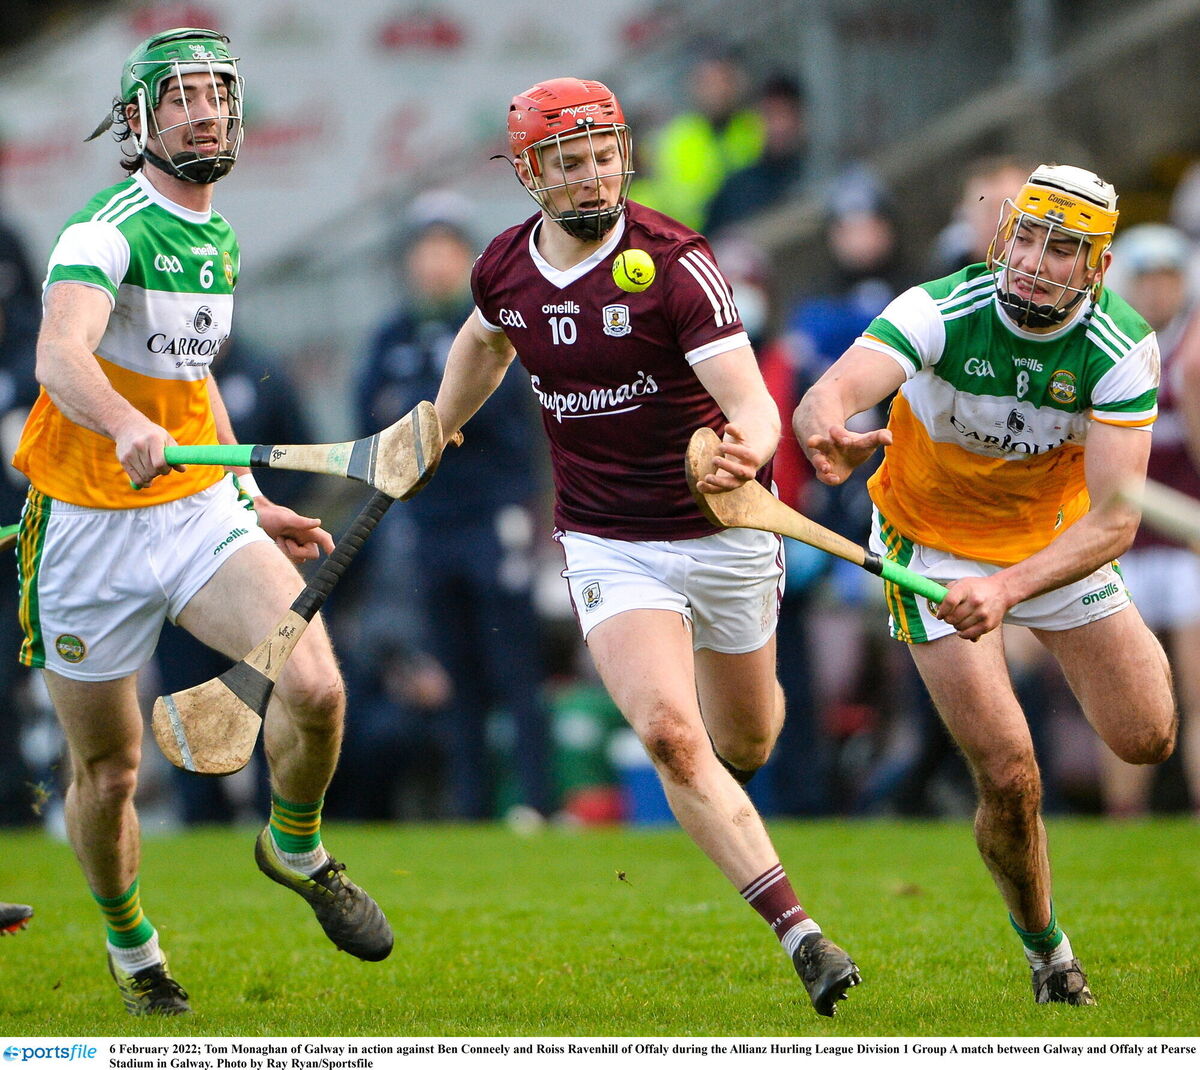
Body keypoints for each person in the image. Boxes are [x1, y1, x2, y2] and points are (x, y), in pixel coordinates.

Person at [433, 76, 860, 1017]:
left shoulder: (674, 261)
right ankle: (804, 935)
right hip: (607, 541)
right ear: (531, 173)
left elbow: (750, 399)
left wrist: (751, 443)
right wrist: (436, 426)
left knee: (745, 736)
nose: (594, 179)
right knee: (672, 734)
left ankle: (737, 758)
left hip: (724, 532)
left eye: (604, 157)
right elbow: (484, 342)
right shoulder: (504, 269)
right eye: (570, 164)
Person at [11, 27, 392, 1016]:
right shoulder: (106, 230)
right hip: (86, 525)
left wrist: (249, 500)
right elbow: (60, 357)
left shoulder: (215, 237)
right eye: (181, 98)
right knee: (107, 768)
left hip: (187, 510)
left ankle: (294, 842)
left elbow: (191, 380)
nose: (206, 110)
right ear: (136, 125)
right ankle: (133, 946)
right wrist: (126, 423)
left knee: (313, 684)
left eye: (217, 93)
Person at [794, 163, 1177, 1005]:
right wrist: (823, 421)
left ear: (1097, 267)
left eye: (1065, 248)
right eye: (1029, 236)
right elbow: (833, 391)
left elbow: (1114, 522)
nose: (1037, 261)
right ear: (1006, 233)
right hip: (927, 546)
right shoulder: (939, 309)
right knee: (1010, 774)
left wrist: (1007, 592)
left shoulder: (1121, 348)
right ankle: (1050, 955)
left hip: (1052, 543)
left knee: (1149, 736)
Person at [353, 210, 553, 822]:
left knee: (515, 666)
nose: (434, 262)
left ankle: (539, 803)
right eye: (425, 250)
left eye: (447, 249)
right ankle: (472, 809)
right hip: (431, 520)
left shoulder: (495, 324)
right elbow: (374, 426)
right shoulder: (390, 337)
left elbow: (513, 421)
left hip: (493, 515)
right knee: (455, 667)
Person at [1098, 223, 1200, 817]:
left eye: (1169, 279)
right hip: (1125, 549)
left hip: (1187, 550)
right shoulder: (1109, 352)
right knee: (1120, 697)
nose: (1158, 293)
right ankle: (1122, 819)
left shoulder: (1191, 356)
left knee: (1195, 691)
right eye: (1148, 279)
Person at [628, 50, 765, 231]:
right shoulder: (678, 138)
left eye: (724, 80)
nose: (718, 91)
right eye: (709, 83)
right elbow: (681, 203)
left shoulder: (753, 125)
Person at [705, 73, 810, 238]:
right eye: (770, 115)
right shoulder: (736, 190)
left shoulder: (818, 172)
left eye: (786, 114)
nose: (779, 126)